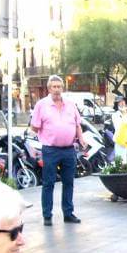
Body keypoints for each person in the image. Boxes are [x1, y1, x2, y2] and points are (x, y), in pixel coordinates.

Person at [30, 75, 88, 226]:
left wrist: (81, 139)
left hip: (69, 149)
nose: (57, 89)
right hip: (50, 150)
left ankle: (68, 213)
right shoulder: (41, 105)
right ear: (49, 89)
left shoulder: (70, 104)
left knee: (69, 182)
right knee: (49, 183)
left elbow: (77, 124)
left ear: (62, 88)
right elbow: (34, 126)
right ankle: (47, 215)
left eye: (59, 87)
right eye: (54, 87)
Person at [111, 98, 127, 163]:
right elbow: (119, 127)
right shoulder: (115, 115)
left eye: (123, 102)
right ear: (117, 104)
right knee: (121, 160)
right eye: (120, 102)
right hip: (120, 140)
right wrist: (124, 115)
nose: (122, 103)